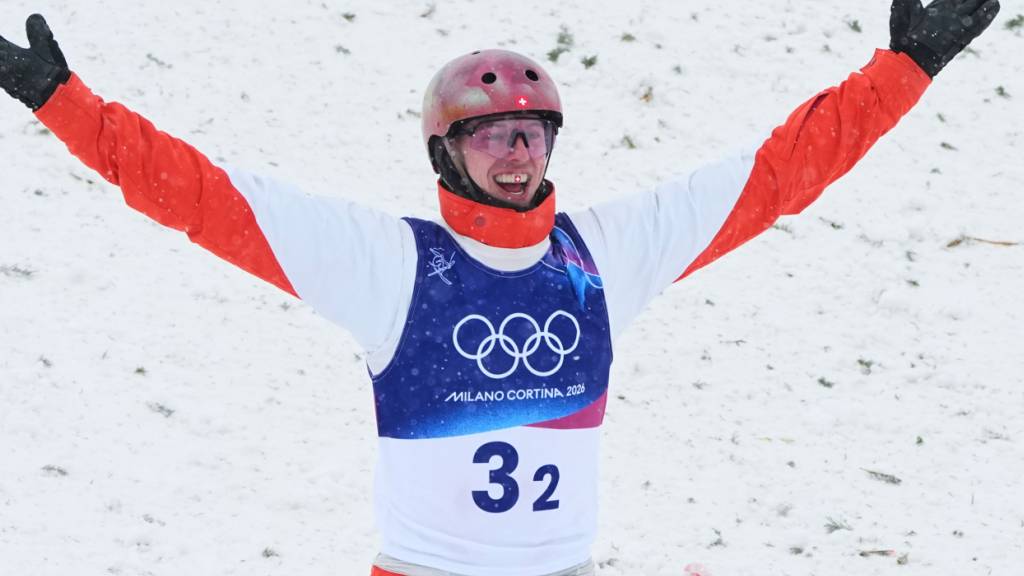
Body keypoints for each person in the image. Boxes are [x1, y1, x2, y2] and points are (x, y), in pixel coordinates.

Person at [0, 1, 1002, 575]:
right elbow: (200, 199)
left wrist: (906, 68)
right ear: (446, 150)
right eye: (491, 135)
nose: (516, 154)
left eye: (532, 132)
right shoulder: (388, 263)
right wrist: (63, 102)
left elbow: (783, 171)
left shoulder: (605, 253)